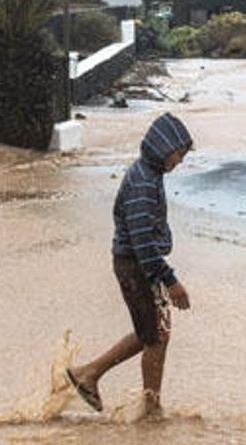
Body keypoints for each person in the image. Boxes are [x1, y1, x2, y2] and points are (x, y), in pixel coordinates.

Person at [67, 112, 194, 419]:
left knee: (152, 332)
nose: (179, 161)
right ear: (164, 148)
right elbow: (142, 245)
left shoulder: (148, 173)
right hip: (136, 267)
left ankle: (92, 375)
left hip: (139, 266)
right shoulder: (143, 184)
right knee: (154, 335)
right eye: (179, 154)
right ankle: (148, 408)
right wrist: (172, 281)